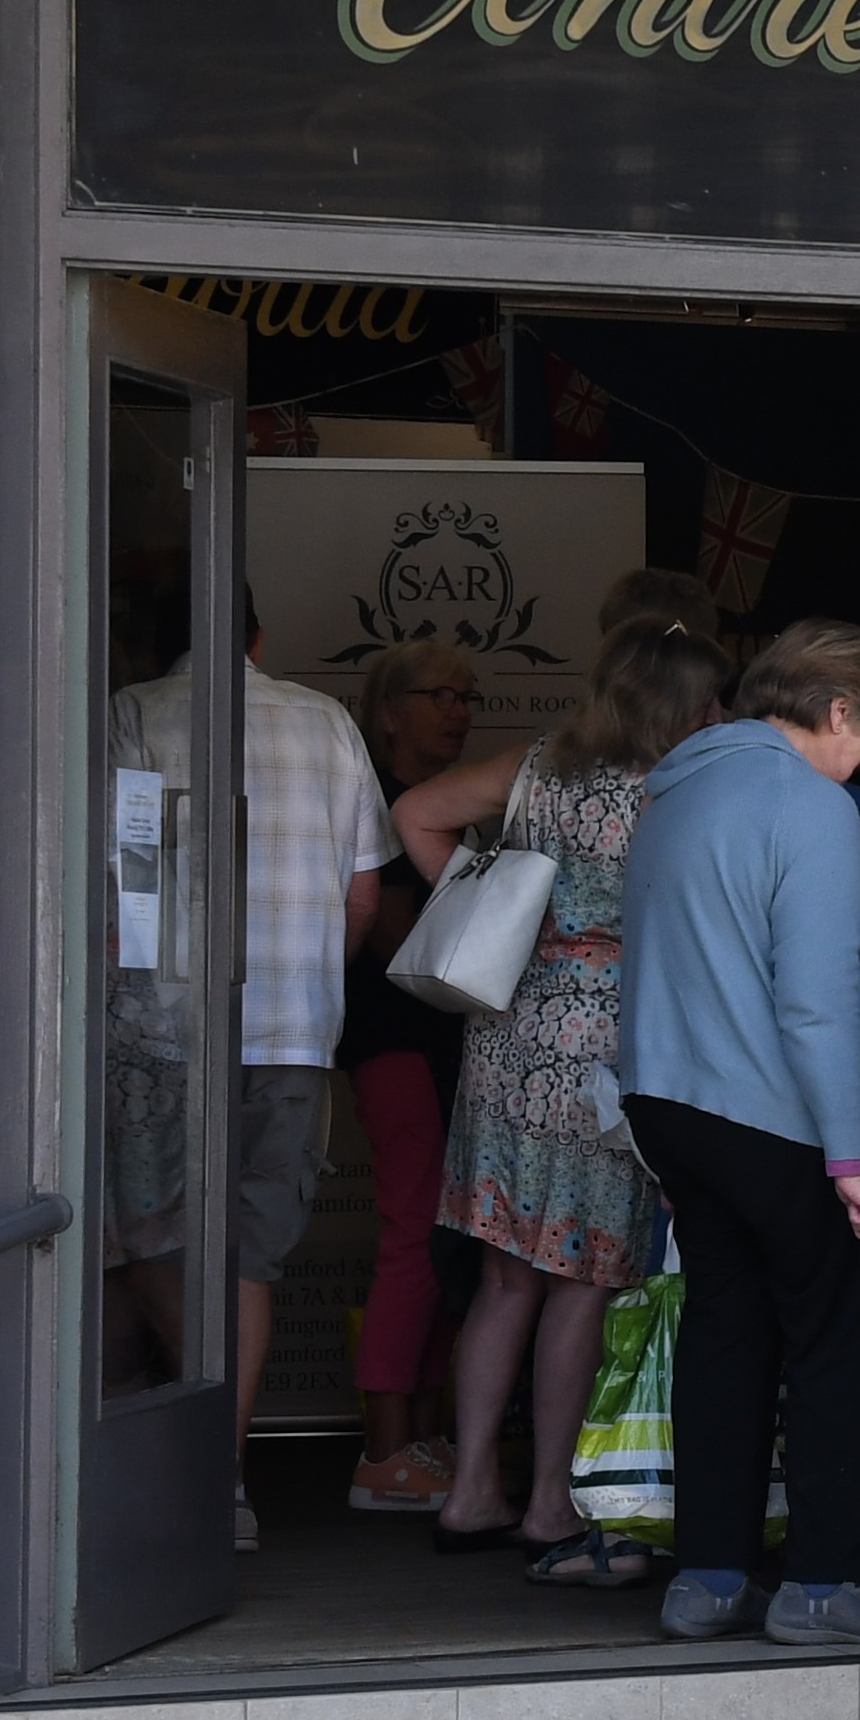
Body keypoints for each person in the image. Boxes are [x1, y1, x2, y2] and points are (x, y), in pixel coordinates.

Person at [617, 617, 860, 1651]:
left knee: (728, 1330)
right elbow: (816, 1000)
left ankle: (708, 1577)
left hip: (674, 1107)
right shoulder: (810, 807)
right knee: (852, 1337)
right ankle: (823, 1583)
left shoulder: (678, 794)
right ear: (838, 711)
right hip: (787, 1118)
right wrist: (852, 1161)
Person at [402, 617, 730, 1589]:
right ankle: (548, 1497)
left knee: (507, 1272)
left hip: (507, 1037)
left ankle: (468, 1490)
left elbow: (416, 810)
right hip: (605, 1050)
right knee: (584, 1279)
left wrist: (489, 911)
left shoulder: (538, 764)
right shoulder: (678, 790)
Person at [105, 590, 393, 1554]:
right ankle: (221, 1485)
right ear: (259, 638)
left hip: (161, 1031)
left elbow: (124, 876)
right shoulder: (327, 720)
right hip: (293, 1029)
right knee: (250, 1258)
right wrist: (304, 983)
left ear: (156, 639)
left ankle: (177, 1455)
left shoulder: (134, 714)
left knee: (148, 1234)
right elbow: (363, 898)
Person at [336, 637, 481, 1517]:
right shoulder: (387, 805)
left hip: (444, 1049)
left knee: (441, 1238)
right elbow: (398, 946)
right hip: (397, 1042)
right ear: (389, 712)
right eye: (439, 695)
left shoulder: (456, 813)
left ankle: (421, 1435)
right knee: (413, 1232)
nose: (460, 710)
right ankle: (383, 1449)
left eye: (469, 695)